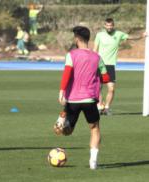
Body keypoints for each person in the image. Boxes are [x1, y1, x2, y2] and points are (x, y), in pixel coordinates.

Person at [58, 26, 110, 169]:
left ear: (77, 38)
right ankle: (93, 161)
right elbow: (106, 78)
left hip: (73, 100)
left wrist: (62, 91)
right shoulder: (97, 57)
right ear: (88, 39)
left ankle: (61, 120)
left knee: (67, 132)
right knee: (94, 129)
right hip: (90, 100)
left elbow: (67, 73)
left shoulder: (72, 55)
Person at [93, 18, 146, 115]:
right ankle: (100, 106)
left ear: (113, 25)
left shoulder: (119, 34)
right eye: (107, 25)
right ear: (104, 26)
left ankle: (107, 108)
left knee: (111, 88)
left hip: (110, 65)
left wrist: (141, 36)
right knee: (98, 88)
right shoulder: (99, 35)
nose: (109, 27)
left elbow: (131, 37)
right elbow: (95, 49)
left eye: (111, 25)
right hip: (99, 64)